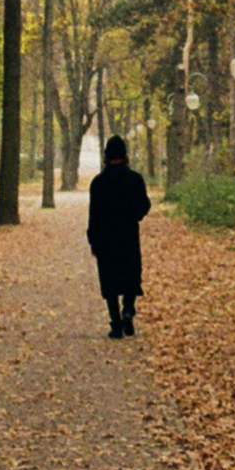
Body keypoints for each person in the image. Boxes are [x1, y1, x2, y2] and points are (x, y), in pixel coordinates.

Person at [86, 133, 150, 338]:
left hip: (106, 238)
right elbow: (144, 205)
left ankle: (115, 324)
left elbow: (93, 214)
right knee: (130, 274)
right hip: (128, 235)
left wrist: (93, 240)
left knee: (110, 279)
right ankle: (128, 310)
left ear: (106, 156)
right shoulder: (135, 179)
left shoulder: (98, 182)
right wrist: (134, 216)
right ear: (125, 155)